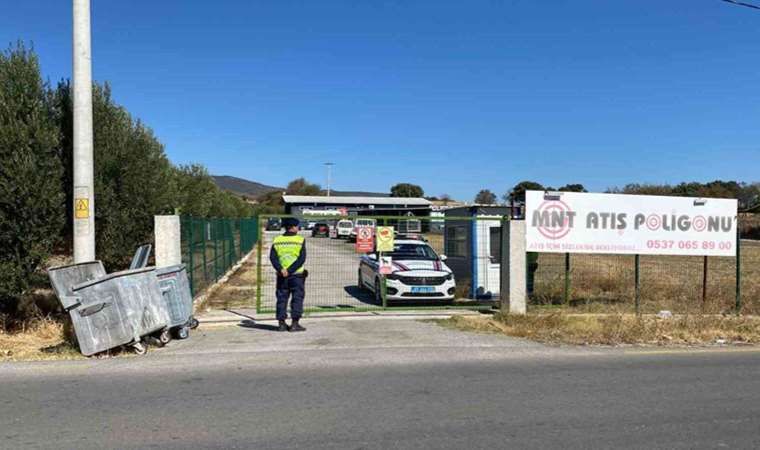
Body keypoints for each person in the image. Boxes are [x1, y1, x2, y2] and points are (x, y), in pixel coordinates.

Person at [269, 217, 307, 332]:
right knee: (297, 298)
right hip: (296, 275)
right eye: (297, 226)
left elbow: (273, 258)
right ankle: (295, 324)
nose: (298, 228)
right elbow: (301, 259)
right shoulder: (300, 240)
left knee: (281, 298)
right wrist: (290, 270)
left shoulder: (277, 240)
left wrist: (281, 269)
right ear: (294, 227)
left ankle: (281, 324)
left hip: (281, 276)